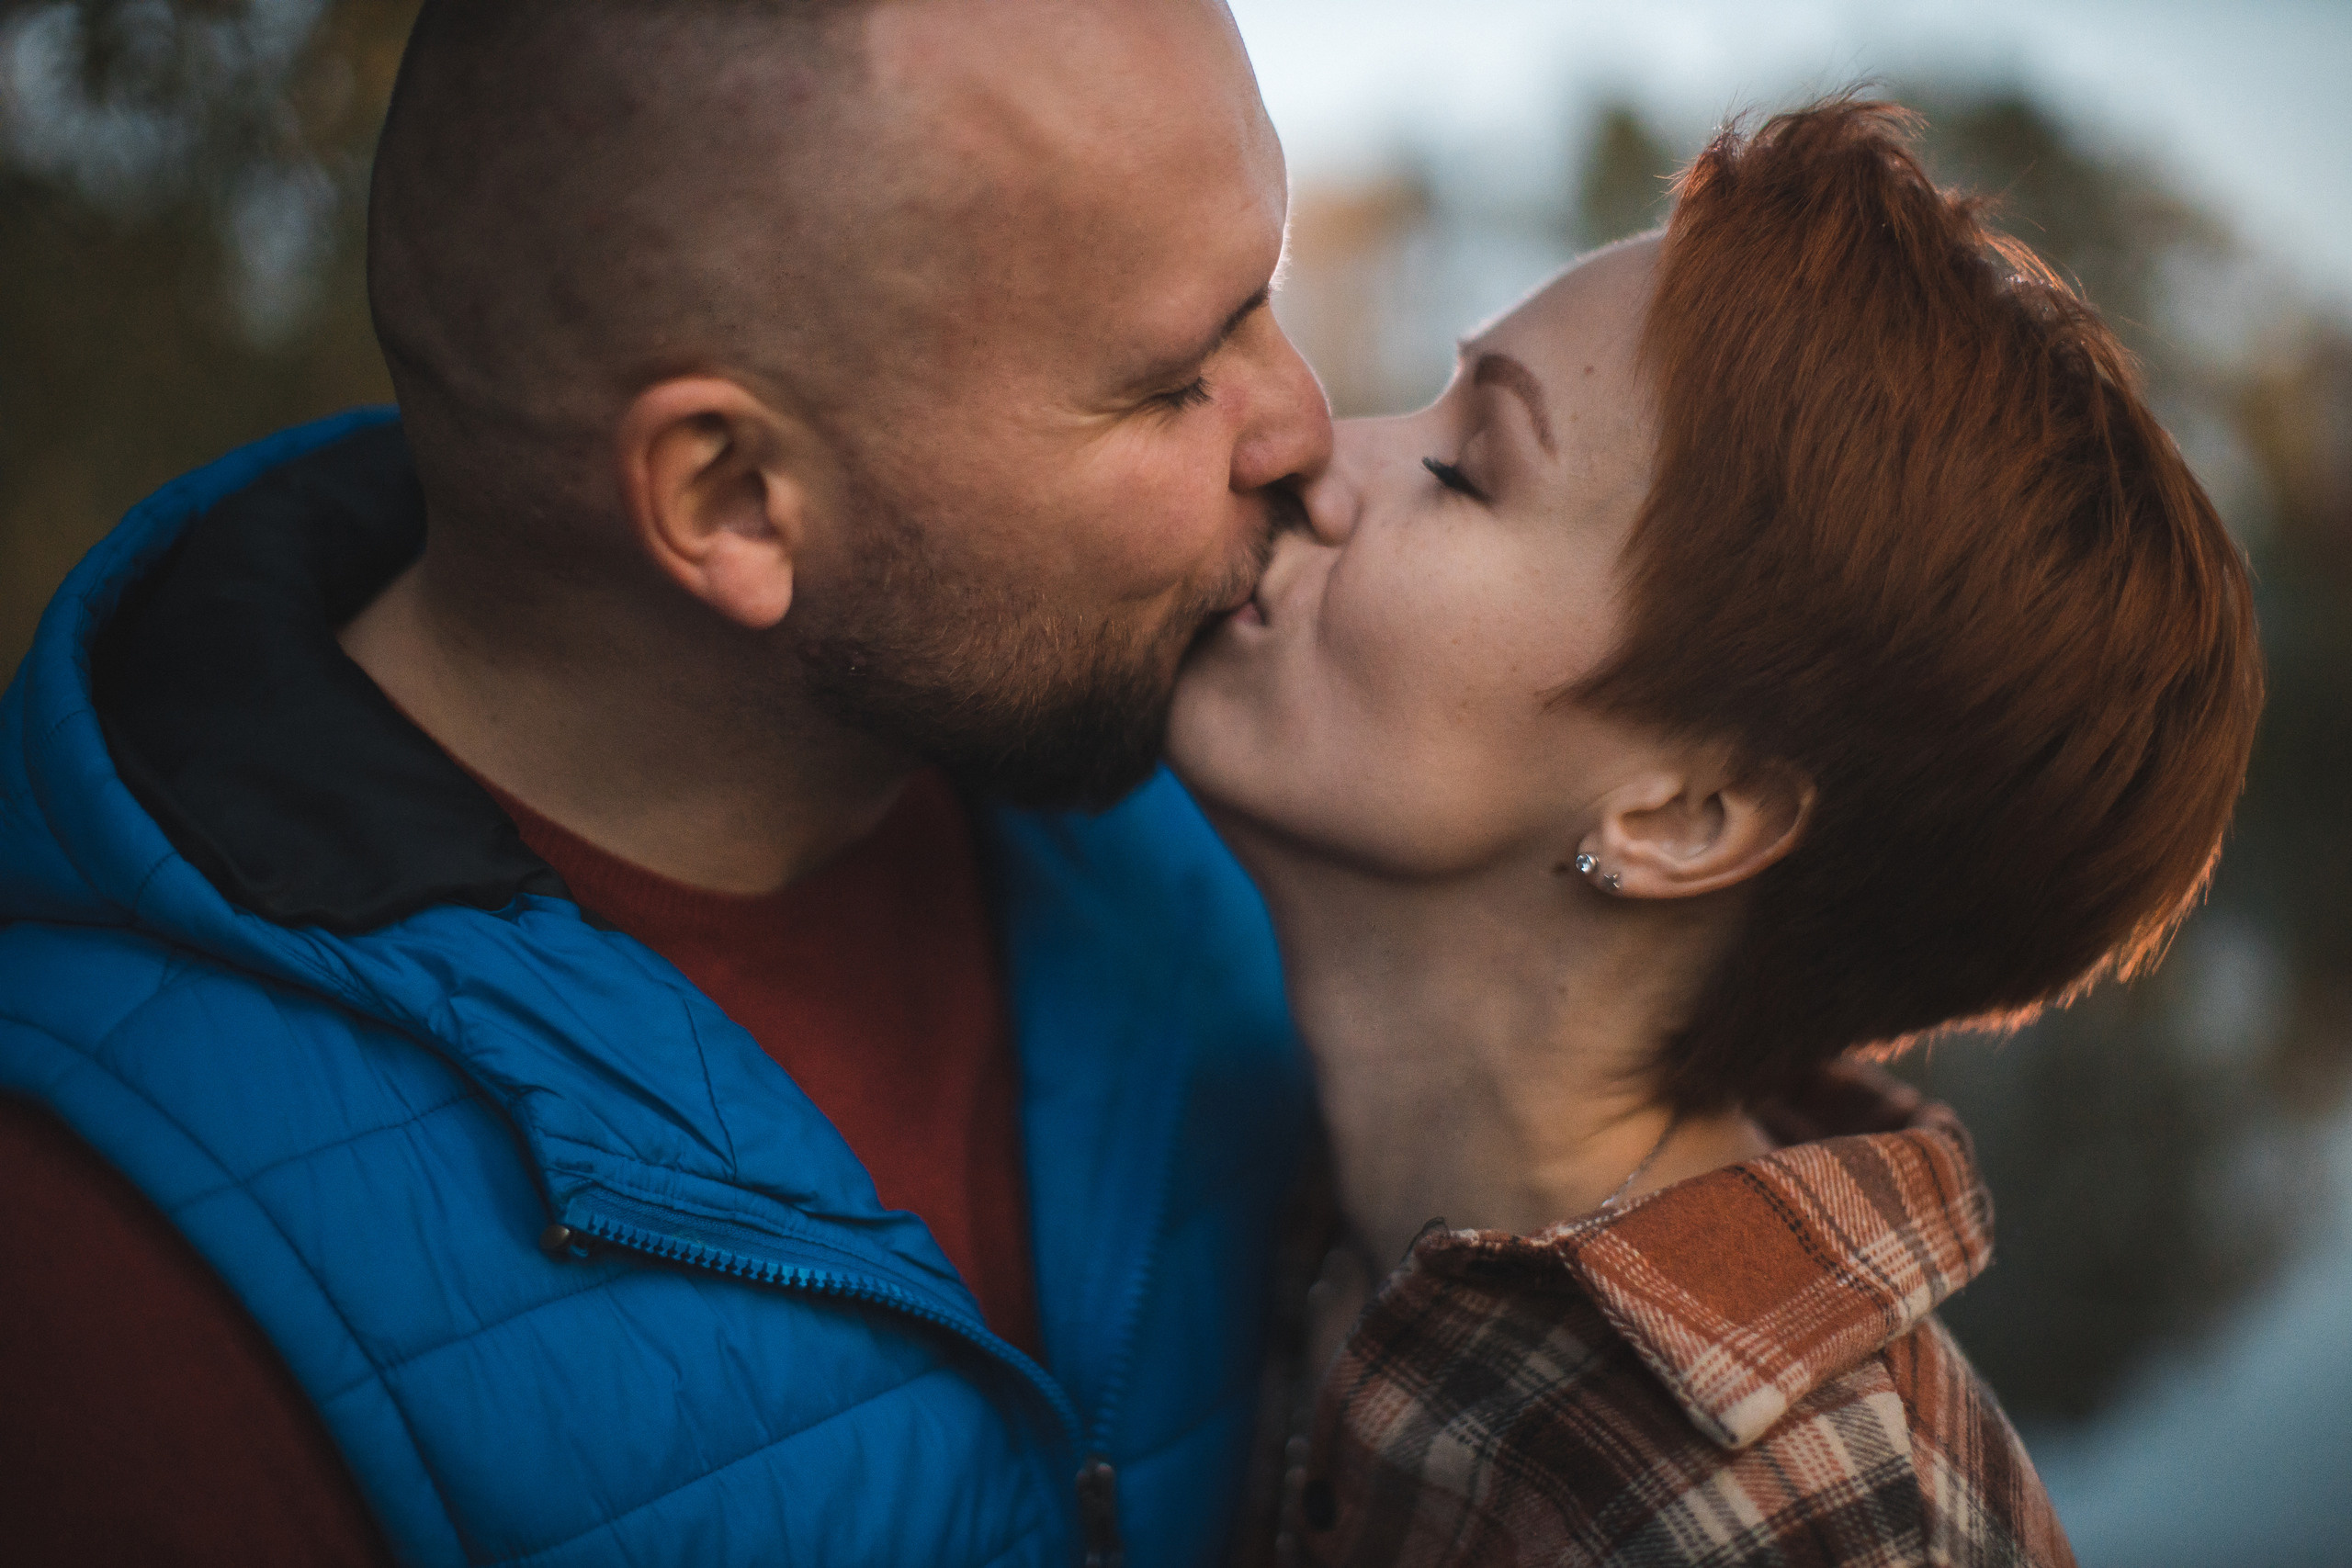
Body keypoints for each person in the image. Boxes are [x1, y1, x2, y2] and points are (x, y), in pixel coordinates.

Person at [0, 2, 1330, 1564]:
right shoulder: (107, 1277)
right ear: (733, 500)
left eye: (1271, 298)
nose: (1305, 425)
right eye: (1178, 379)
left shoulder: (1237, 831)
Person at [1172, 100, 2262, 1566]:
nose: (1314, 450)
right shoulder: (1309, 1171)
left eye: (1464, 469)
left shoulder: (1803, 1534)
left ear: (1687, 814)